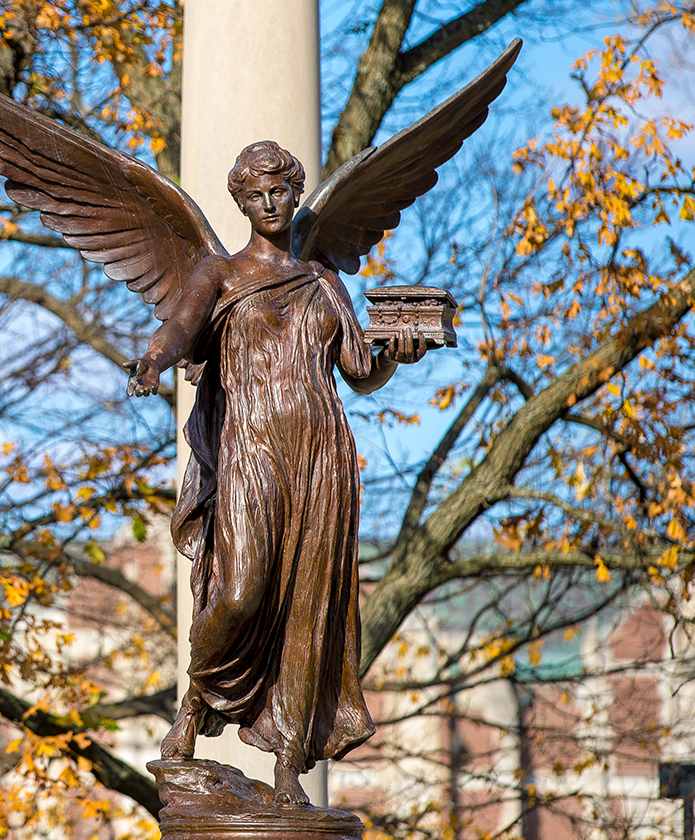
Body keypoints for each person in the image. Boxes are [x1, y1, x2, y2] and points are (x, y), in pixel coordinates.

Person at [124, 141, 426, 807]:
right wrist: (152, 357)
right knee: (239, 594)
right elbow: (180, 326)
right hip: (251, 453)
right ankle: (194, 706)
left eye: (281, 191)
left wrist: (398, 354)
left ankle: (290, 766)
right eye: (256, 194)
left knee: (305, 612)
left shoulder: (322, 278)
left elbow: (360, 372)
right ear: (240, 200)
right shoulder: (219, 273)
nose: (269, 203)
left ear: (295, 194)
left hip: (320, 458)